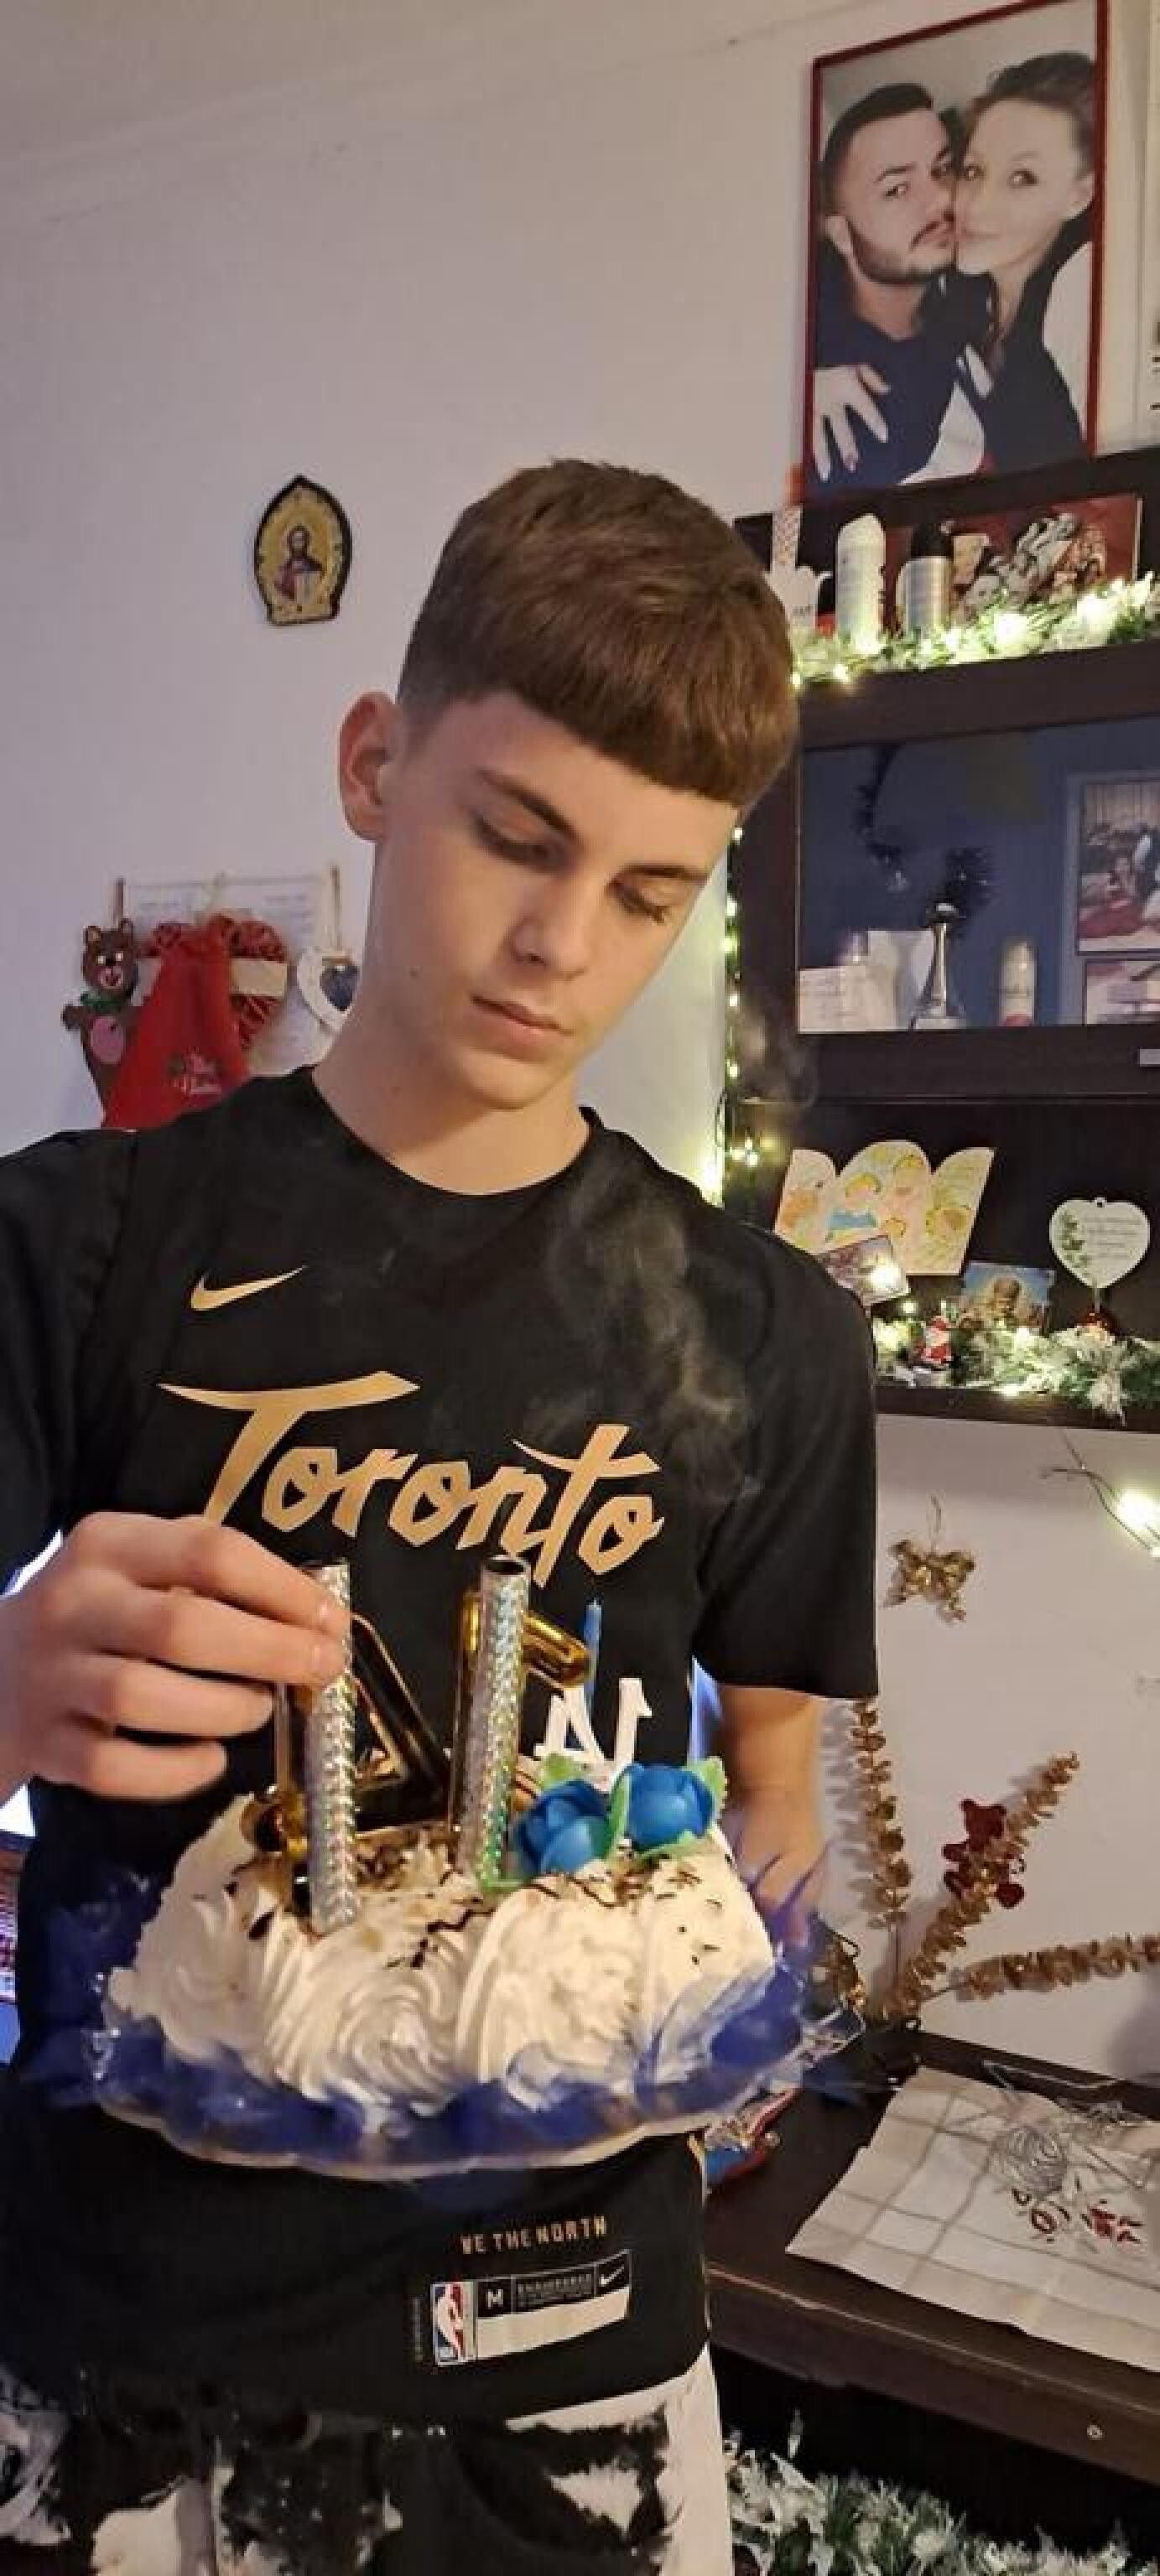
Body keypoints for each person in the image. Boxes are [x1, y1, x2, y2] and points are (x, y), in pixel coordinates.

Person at [0, 461, 878, 2573]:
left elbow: (773, 1808)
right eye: (515, 835)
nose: (563, 946)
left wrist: (720, 1980)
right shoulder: (82, 1243)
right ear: (374, 765)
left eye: (650, 891)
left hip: (564, 2358)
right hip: (131, 2338)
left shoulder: (765, 1334)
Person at [808, 83, 984, 493]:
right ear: (842, 234)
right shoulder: (836, 398)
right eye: (897, 189)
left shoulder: (971, 293)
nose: (941, 199)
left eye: (942, 170)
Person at [954, 53, 1096, 470]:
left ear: (1079, 195)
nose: (976, 205)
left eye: (1022, 178)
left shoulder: (1080, 285)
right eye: (973, 171)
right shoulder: (964, 293)